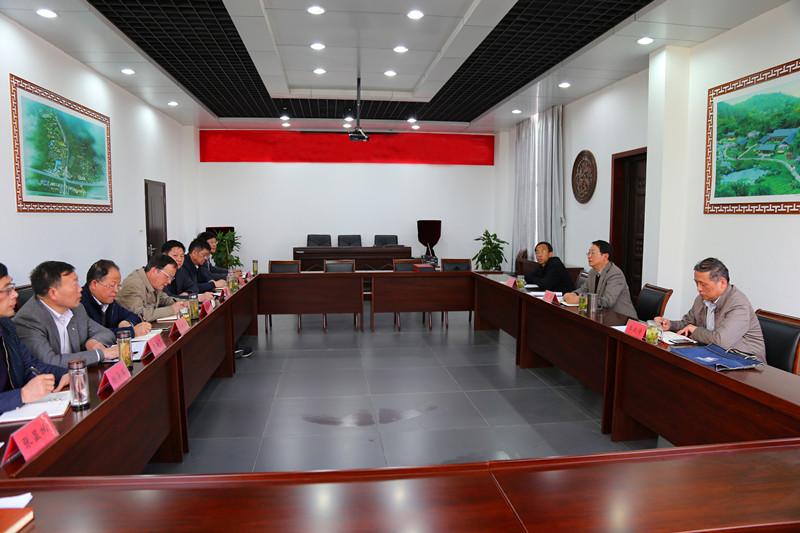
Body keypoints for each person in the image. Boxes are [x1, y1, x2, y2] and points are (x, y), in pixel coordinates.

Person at [655, 258, 765, 361]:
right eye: (696, 283)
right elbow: (688, 323)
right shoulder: (701, 299)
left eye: (703, 284)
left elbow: (721, 341)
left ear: (722, 283)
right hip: (715, 354)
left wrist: (695, 330)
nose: (699, 288)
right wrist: (670, 325)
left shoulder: (738, 305)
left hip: (745, 361)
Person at [15, 261, 117, 367]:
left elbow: (106, 333)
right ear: (53, 293)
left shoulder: (77, 308)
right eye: (74, 285)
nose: (80, 289)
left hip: (79, 373)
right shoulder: (28, 320)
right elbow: (49, 362)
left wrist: (93, 341)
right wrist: (99, 354)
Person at [0, 263, 70, 415]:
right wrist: (22, 395)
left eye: (12, 287)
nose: (15, 294)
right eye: (7, 289)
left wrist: (64, 374)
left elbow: (31, 366)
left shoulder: (6, 326)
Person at [563, 240, 637, 317]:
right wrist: (573, 294)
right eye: (588, 253)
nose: (589, 256)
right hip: (601, 315)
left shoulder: (615, 274)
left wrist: (580, 300)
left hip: (621, 318)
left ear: (605, 256)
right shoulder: (592, 272)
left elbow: (607, 301)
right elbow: (584, 289)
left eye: (593, 253)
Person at [81, 259, 151, 339]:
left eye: (118, 286)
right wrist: (131, 332)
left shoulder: (110, 302)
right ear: (94, 284)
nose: (116, 290)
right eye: (112, 285)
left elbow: (134, 316)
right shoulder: (80, 304)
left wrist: (126, 322)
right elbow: (95, 334)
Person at [116, 254, 186, 322]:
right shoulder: (133, 285)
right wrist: (171, 310)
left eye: (171, 278)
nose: (169, 282)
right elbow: (140, 315)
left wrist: (184, 303)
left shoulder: (153, 282)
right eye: (168, 277)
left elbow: (165, 299)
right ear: (154, 271)